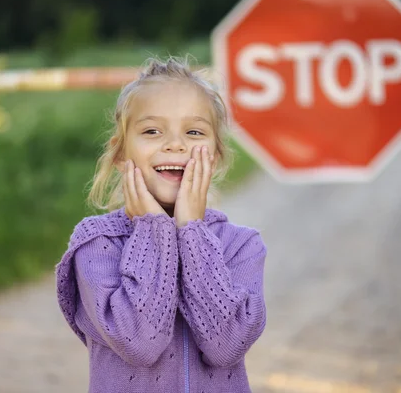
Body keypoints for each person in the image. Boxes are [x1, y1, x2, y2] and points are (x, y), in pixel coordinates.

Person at [55, 56, 268, 393]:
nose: (175, 144)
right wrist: (155, 229)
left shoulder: (240, 246)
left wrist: (191, 232)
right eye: (152, 131)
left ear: (213, 156)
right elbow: (140, 342)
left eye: (194, 131)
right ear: (121, 154)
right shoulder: (97, 245)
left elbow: (226, 344)